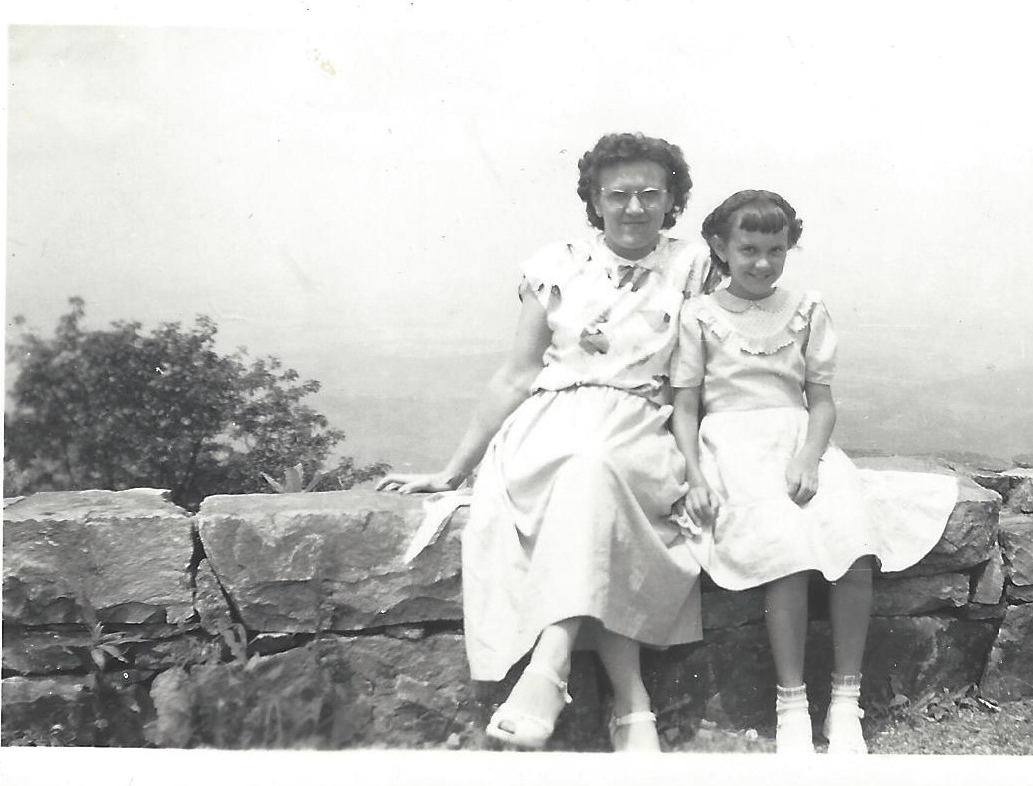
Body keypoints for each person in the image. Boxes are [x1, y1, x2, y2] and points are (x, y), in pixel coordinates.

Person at [377, 132, 715, 752]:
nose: (635, 208)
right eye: (618, 195)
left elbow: (714, 361)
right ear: (594, 198)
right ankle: (630, 703)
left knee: (596, 467)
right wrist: (453, 470)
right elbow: (517, 372)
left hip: (640, 422)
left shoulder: (693, 264)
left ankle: (549, 667)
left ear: (672, 200)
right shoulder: (552, 265)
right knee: (587, 465)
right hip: (549, 424)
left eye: (651, 194)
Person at [669, 190, 958, 754]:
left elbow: (821, 401)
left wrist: (808, 456)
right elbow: (685, 407)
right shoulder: (699, 316)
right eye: (748, 248)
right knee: (786, 553)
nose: (761, 262)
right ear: (720, 249)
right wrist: (696, 477)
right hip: (731, 446)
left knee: (851, 543)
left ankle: (846, 702)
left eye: (775, 249)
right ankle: (792, 702)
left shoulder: (806, 308)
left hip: (800, 442)